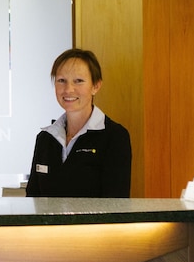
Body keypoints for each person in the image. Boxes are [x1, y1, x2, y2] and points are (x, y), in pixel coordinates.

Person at [25, 48, 131, 197]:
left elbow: (116, 203)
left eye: (78, 81)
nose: (68, 89)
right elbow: (33, 198)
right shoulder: (45, 138)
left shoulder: (114, 137)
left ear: (96, 86)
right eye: (61, 81)